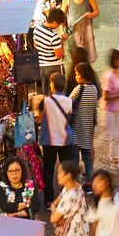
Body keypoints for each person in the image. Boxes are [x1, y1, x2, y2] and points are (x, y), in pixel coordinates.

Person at [36, 72, 75, 202]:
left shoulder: (45, 101)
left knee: (48, 170)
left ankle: (48, 200)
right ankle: (67, 196)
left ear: (52, 85)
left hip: (49, 141)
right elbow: (69, 118)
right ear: (63, 86)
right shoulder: (69, 100)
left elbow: (40, 120)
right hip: (65, 140)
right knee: (66, 169)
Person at [51, 161, 93, 236]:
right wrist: (54, 206)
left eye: (60, 173)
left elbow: (53, 219)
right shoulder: (75, 186)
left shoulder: (70, 196)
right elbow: (59, 198)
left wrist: (53, 208)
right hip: (80, 234)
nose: (57, 176)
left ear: (68, 176)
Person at [69, 61, 102, 174]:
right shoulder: (94, 89)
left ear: (83, 75)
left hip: (77, 128)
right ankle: (89, 182)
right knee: (87, 157)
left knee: (75, 157)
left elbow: (68, 103)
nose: (75, 77)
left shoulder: (79, 89)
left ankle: (76, 180)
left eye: (77, 74)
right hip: (88, 128)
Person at [64, 0, 100, 64]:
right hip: (72, 33)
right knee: (74, 58)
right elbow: (62, 14)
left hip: (86, 33)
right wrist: (62, 31)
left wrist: (90, 15)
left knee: (86, 59)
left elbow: (96, 11)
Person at [0, 157, 40, 222]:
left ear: (22, 170)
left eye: (17, 170)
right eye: (10, 171)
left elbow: (36, 205)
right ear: (6, 172)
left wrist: (15, 213)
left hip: (28, 224)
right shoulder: (1, 187)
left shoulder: (30, 185)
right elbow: (4, 207)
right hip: (6, 224)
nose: (14, 174)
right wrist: (26, 204)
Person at [35, 8, 68, 87]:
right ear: (55, 22)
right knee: (58, 94)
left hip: (42, 66)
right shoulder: (54, 36)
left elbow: (35, 45)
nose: (58, 26)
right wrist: (62, 42)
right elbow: (59, 55)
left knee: (46, 94)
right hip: (54, 67)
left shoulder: (37, 29)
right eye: (59, 24)